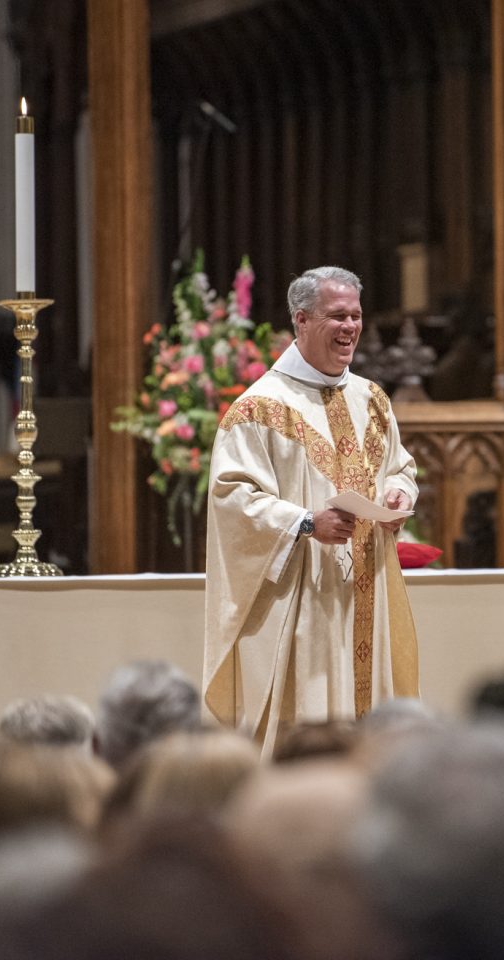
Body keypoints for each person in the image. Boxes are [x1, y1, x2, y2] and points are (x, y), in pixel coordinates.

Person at [204, 266, 420, 753]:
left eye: (356, 316)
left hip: (367, 592)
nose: (350, 328)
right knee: (316, 718)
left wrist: (400, 494)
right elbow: (233, 499)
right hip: (307, 597)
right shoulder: (258, 409)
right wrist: (305, 522)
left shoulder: (372, 400)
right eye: (337, 316)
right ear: (301, 320)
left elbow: (400, 468)